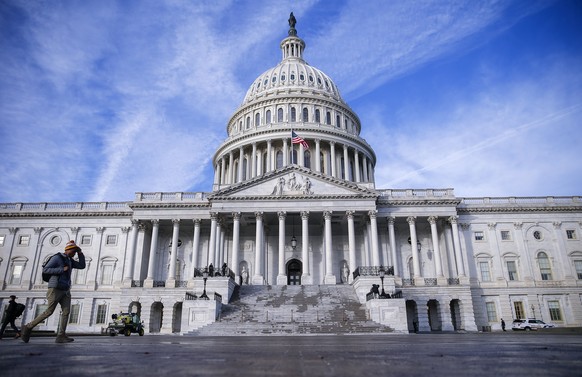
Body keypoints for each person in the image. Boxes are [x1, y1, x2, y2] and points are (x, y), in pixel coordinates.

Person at [21, 240, 85, 344]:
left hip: (65, 289)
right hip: (55, 288)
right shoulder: (57, 258)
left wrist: (80, 253)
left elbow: (82, 266)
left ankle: (61, 335)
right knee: (49, 311)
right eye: (74, 251)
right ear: (69, 250)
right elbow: (45, 270)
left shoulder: (69, 260)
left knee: (66, 312)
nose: (75, 254)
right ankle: (28, 327)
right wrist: (61, 269)